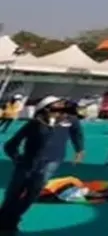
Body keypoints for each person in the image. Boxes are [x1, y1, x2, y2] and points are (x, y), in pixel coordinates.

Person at [0, 97, 85, 234]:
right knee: (13, 193)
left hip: (51, 162)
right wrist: (17, 159)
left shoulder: (70, 121)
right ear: (46, 108)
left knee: (32, 193)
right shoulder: (35, 124)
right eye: (58, 105)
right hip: (27, 163)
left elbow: (77, 133)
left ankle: (13, 218)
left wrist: (80, 149)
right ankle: (4, 218)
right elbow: (10, 145)